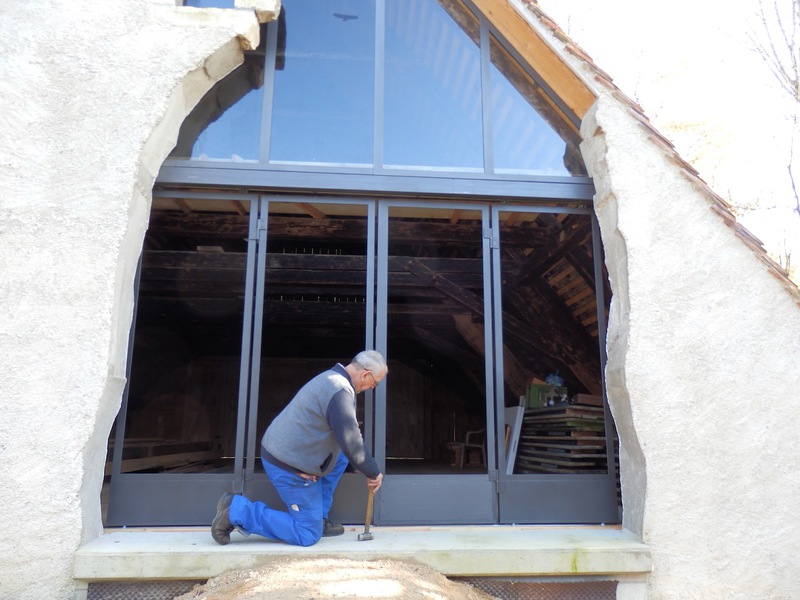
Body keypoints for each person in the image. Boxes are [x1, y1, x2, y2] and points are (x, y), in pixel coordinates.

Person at [211, 350, 387, 547]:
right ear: (366, 374)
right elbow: (351, 441)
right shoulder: (339, 392)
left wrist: (356, 465)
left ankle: (318, 516)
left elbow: (343, 437)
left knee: (341, 458)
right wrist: (372, 472)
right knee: (308, 534)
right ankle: (236, 511)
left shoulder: (333, 379)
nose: (373, 387)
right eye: (376, 383)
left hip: (290, 451)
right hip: (286, 462)